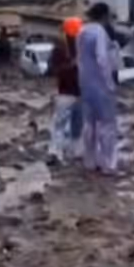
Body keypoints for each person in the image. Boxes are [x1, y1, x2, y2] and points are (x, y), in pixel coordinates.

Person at [77, 3, 120, 175]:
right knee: (107, 124)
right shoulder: (99, 32)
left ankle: (89, 160)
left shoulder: (81, 31)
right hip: (101, 84)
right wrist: (109, 82)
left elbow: (79, 59)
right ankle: (108, 164)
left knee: (89, 124)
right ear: (104, 15)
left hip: (85, 83)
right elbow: (102, 58)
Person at [47, 17, 83, 165]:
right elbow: (53, 70)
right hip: (67, 93)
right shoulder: (60, 50)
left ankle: (73, 152)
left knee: (76, 125)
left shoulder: (80, 49)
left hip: (77, 94)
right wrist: (72, 65)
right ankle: (56, 153)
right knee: (62, 125)